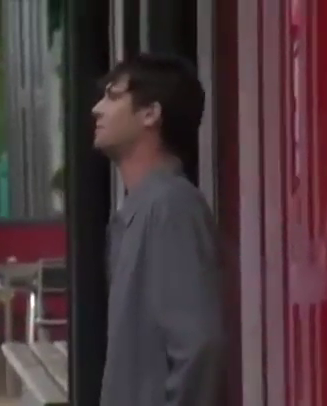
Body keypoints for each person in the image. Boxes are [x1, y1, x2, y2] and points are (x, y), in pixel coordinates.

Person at [93, 54, 226, 406]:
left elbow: (199, 344)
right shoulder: (144, 208)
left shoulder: (172, 207)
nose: (97, 109)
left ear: (150, 113)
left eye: (113, 96)